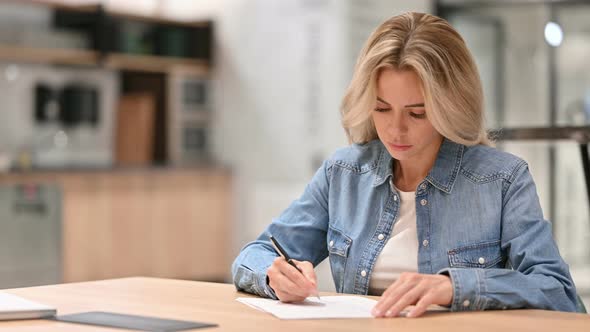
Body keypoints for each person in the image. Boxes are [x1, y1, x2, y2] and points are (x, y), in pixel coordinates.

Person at [231, 12, 578, 318]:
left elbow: (558, 292)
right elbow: (255, 255)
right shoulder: (343, 173)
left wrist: (457, 287)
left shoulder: (502, 179)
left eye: (417, 112)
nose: (395, 129)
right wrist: (274, 275)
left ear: (450, 106)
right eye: (382, 109)